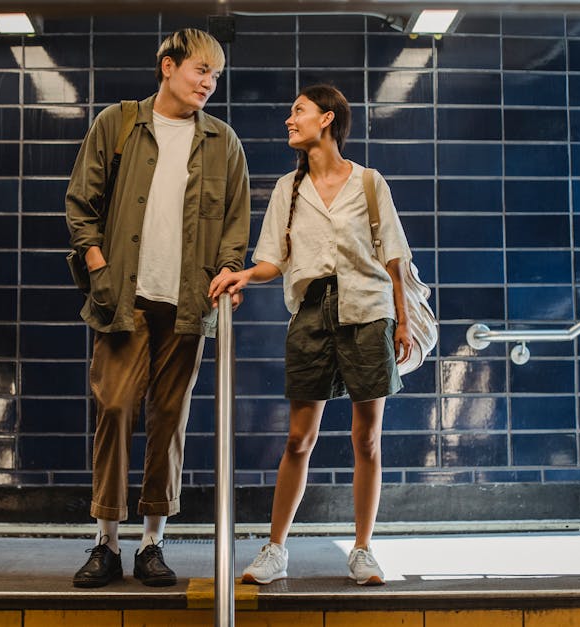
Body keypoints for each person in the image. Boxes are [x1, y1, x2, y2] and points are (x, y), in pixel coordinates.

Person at [65, 28, 250, 588]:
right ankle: (106, 541)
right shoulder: (118, 123)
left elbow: (235, 224)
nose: (209, 83)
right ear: (168, 66)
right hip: (125, 298)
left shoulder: (222, 141)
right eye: (201, 70)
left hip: (189, 304)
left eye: (216, 75)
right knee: (115, 409)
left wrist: (228, 270)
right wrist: (97, 264)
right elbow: (81, 203)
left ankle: (152, 542)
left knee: (169, 419)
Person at [209, 84, 412, 586]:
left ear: (326, 119)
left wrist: (403, 320)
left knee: (367, 439)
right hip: (311, 314)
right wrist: (243, 276)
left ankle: (363, 549)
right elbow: (272, 260)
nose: (289, 119)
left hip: (369, 312)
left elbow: (394, 258)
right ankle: (276, 549)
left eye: (298, 110)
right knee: (299, 438)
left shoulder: (369, 183)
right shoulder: (288, 188)